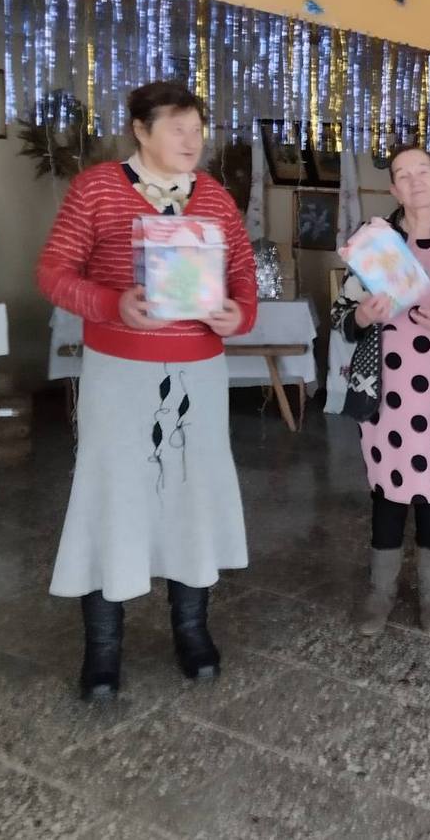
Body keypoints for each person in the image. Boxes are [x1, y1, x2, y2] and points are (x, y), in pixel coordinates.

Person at [36, 81, 258, 701]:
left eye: (198, 129)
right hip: (120, 372)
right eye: (177, 128)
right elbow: (52, 273)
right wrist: (113, 305)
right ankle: (103, 647)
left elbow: (242, 274)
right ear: (140, 129)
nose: (193, 141)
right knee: (112, 494)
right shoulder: (97, 188)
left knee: (193, 493)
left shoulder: (214, 196)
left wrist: (238, 314)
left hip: (199, 372)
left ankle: (192, 629)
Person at [331, 146, 430, 637]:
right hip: (385, 392)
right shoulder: (375, 241)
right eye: (403, 175)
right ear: (393, 189)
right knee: (387, 492)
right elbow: (342, 317)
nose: (415, 181)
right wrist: (362, 315)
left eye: (423, 171)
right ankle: (380, 591)